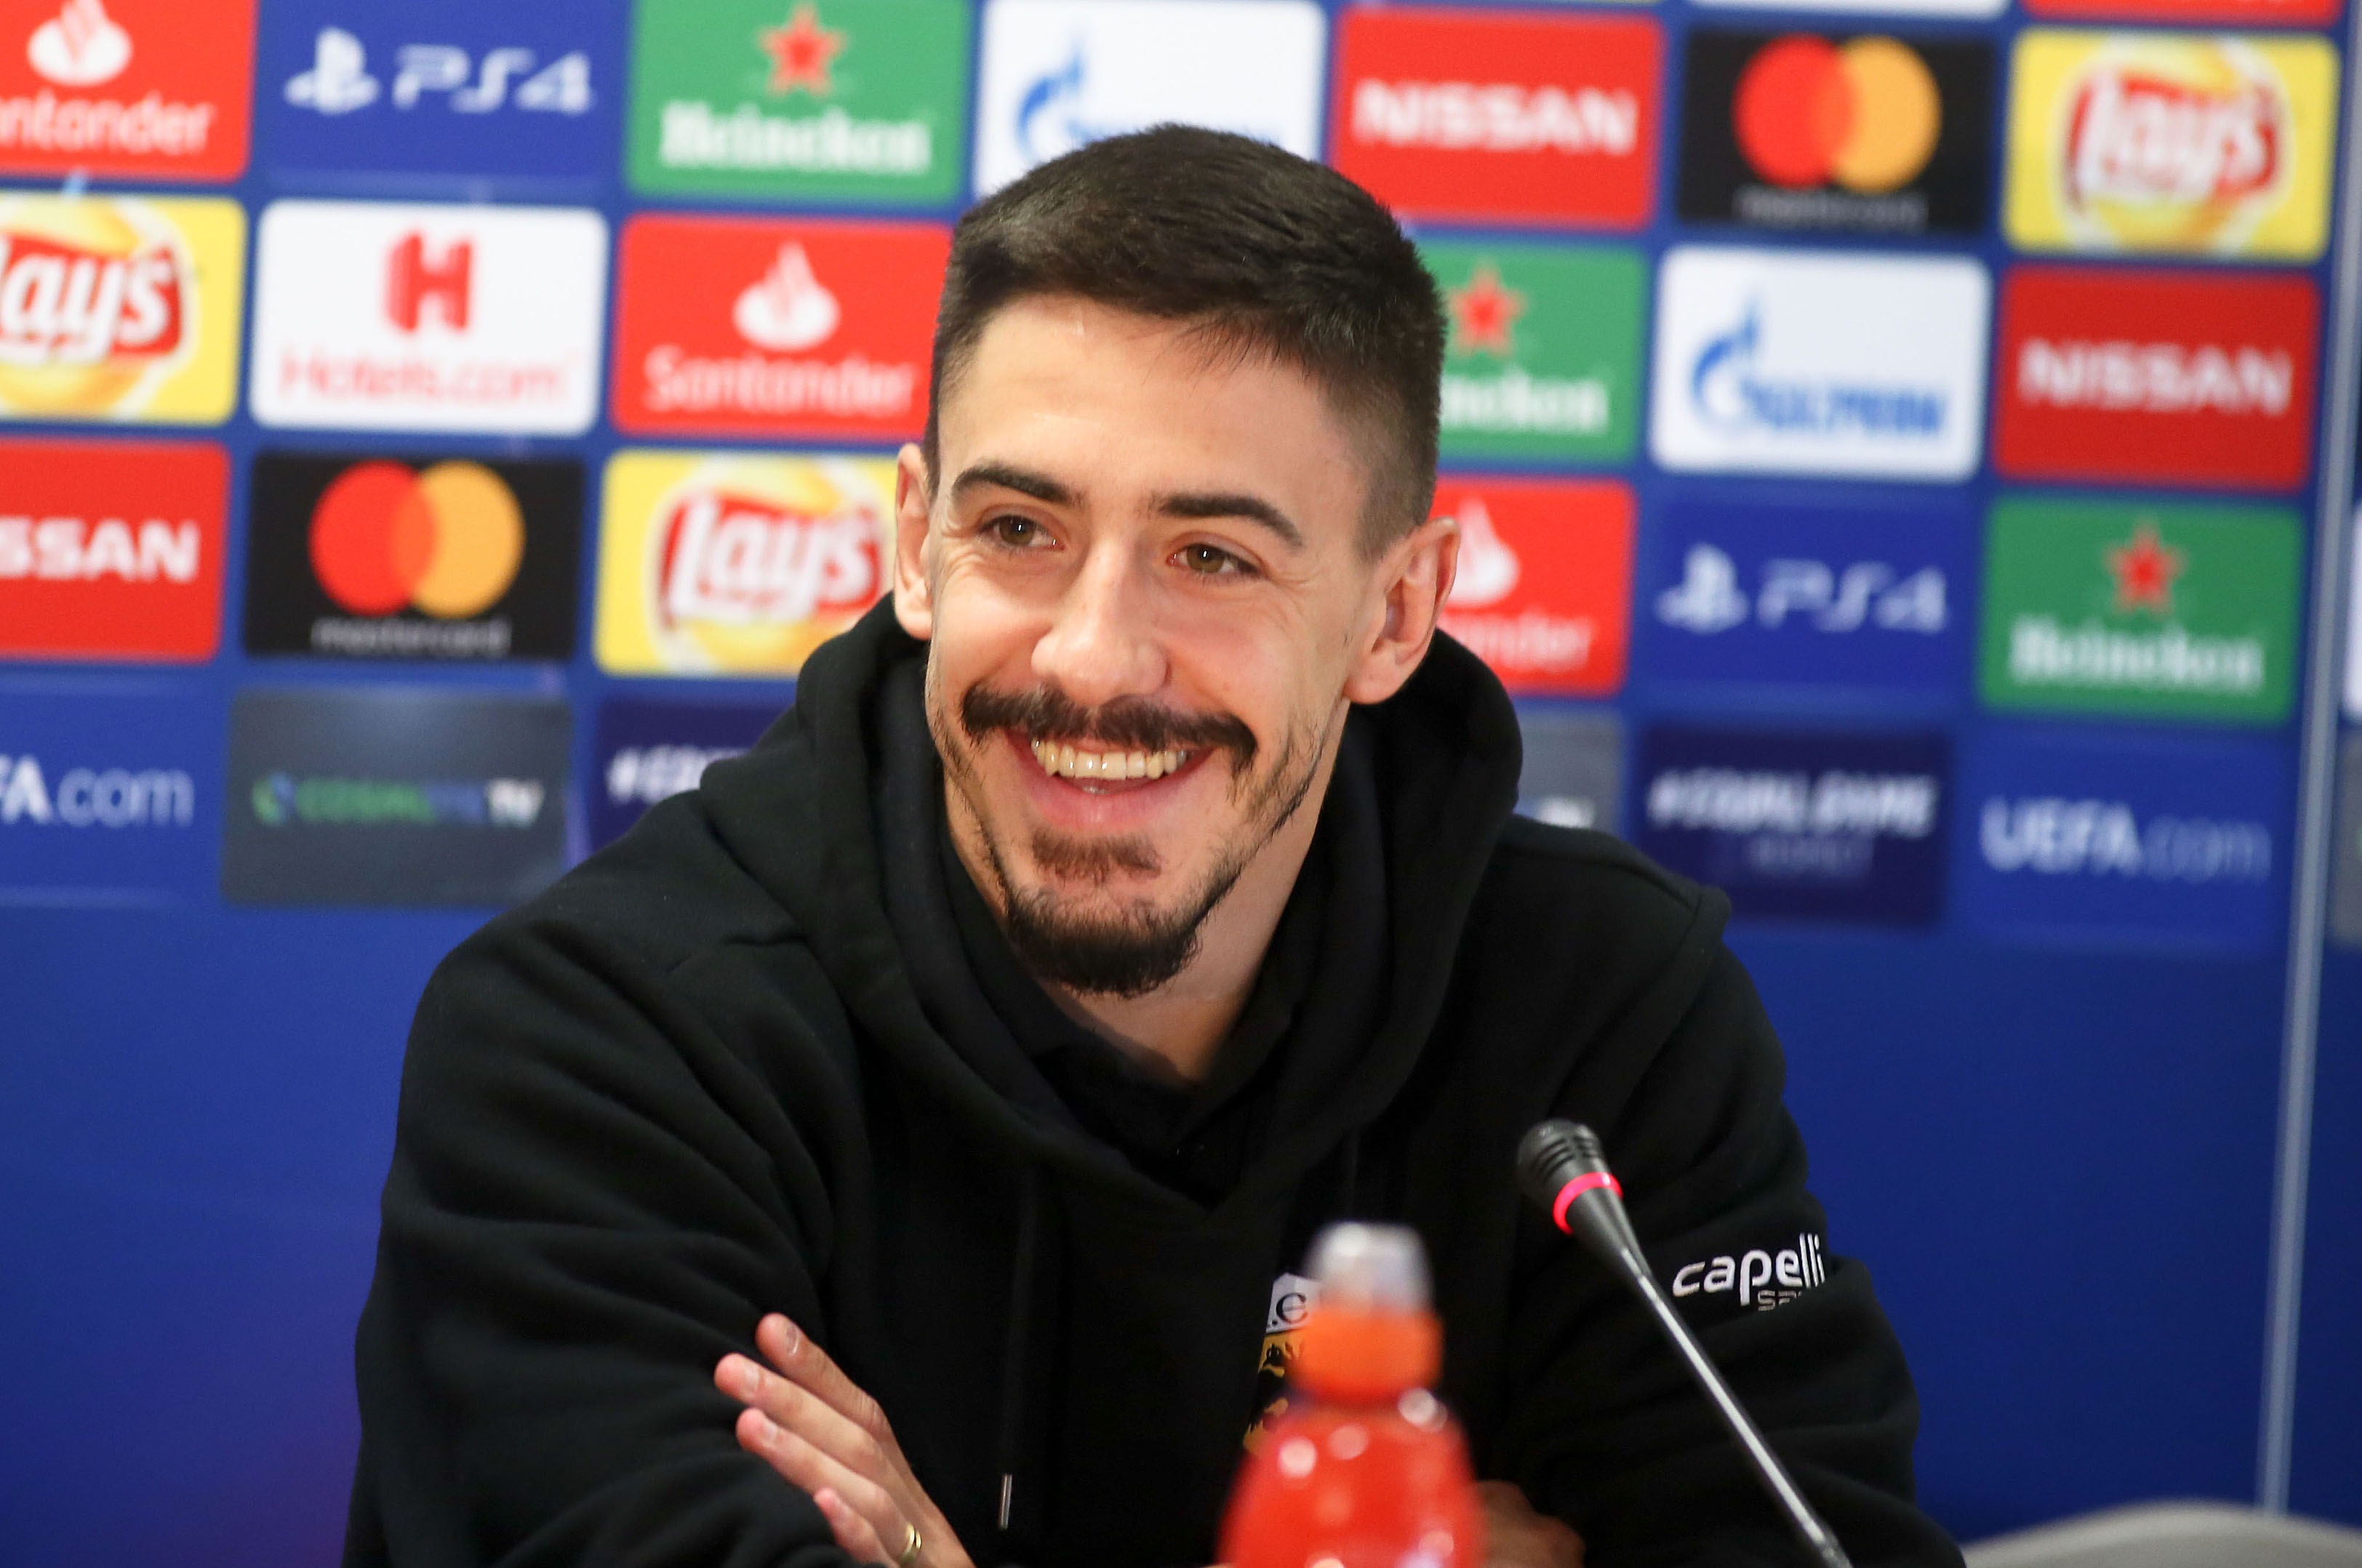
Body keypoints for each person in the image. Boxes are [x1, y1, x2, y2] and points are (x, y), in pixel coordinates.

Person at [345, 127, 1961, 1568]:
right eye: (1019, 531)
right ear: (913, 543)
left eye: (1211, 555)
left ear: (1395, 613)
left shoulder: (1604, 1022)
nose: (1093, 657)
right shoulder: (605, 1036)